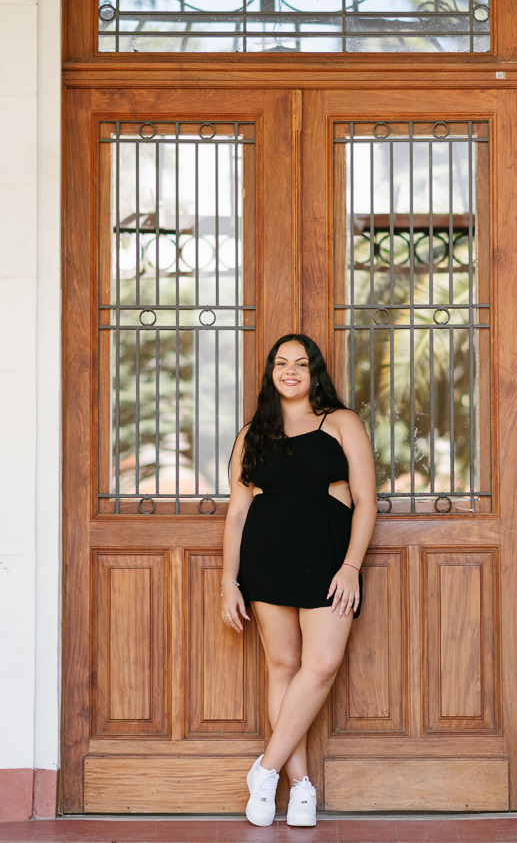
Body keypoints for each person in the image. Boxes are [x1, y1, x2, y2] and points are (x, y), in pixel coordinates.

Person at [220, 333, 377, 828]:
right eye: (281, 363)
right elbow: (238, 513)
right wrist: (229, 581)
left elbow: (367, 501)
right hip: (267, 558)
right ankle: (299, 789)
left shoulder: (342, 422)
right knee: (283, 667)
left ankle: (265, 769)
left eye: (301, 363)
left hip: (329, 558)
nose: (290, 371)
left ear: (314, 373)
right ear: (270, 372)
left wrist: (351, 565)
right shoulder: (253, 434)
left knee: (322, 665)